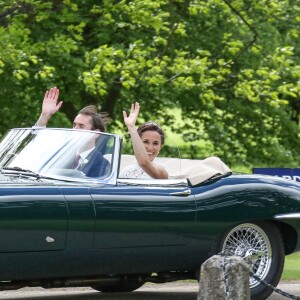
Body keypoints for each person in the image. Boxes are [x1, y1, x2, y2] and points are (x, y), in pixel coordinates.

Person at [35, 87, 110, 177]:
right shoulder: (61, 155)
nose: (75, 129)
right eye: (74, 125)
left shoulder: (102, 164)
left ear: (96, 133)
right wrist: (45, 116)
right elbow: (37, 148)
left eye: (81, 126)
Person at [120, 102, 168, 179]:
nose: (150, 147)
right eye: (146, 142)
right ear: (137, 142)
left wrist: (131, 127)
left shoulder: (162, 171)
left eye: (155, 143)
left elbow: (144, 163)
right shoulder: (125, 171)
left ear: (161, 146)